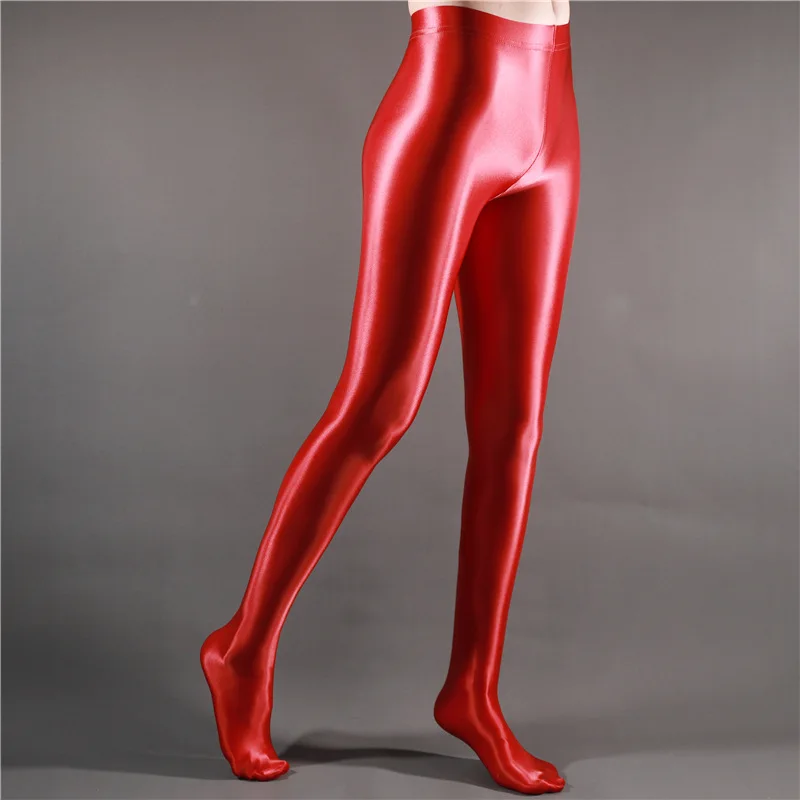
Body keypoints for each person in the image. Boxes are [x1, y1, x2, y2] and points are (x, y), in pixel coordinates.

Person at [201, 0, 578, 793]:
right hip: (450, 104)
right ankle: (242, 648)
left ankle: (473, 690)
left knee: (515, 426)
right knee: (382, 402)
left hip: (553, 108)